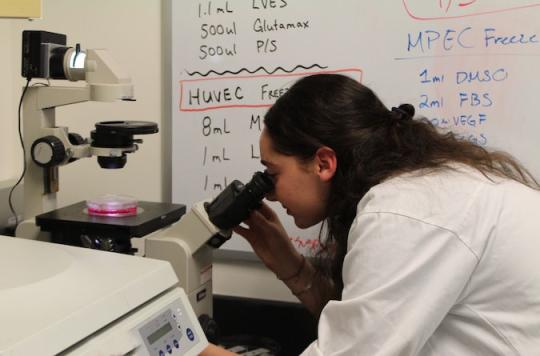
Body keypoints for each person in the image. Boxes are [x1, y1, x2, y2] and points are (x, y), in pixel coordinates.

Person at [200, 74, 540, 355]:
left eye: (272, 174)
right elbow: (367, 325)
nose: (270, 194)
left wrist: (191, 350)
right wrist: (290, 266)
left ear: (324, 163)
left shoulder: (405, 213)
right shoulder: (421, 188)